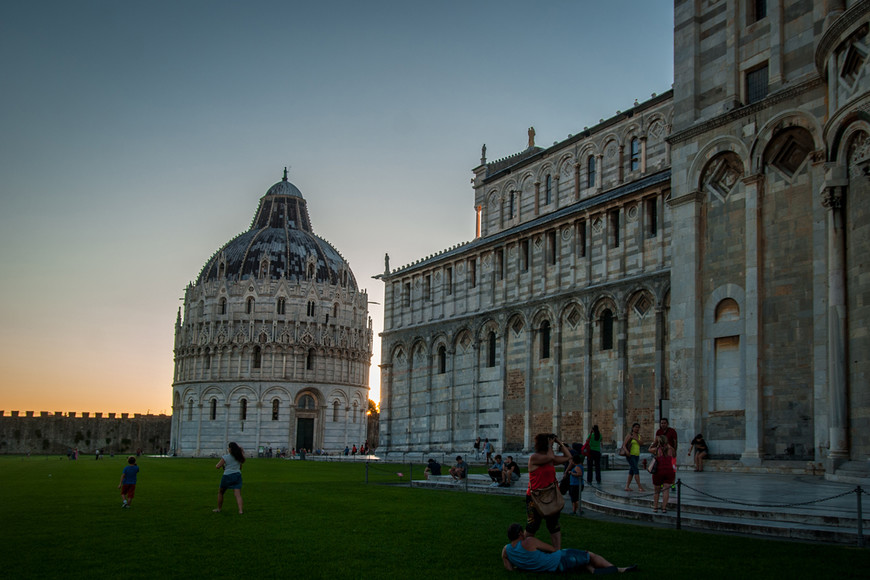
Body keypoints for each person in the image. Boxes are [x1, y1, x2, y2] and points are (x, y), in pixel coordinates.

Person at [501, 523, 637, 574]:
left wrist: (518, 567)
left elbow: (509, 567)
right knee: (589, 555)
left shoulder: (506, 550)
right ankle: (617, 569)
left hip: (552, 569)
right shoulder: (528, 542)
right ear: (520, 533)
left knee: (580, 563)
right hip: (558, 560)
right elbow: (554, 550)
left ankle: (592, 569)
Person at [527, 433, 572, 550]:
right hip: (535, 497)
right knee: (532, 525)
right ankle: (523, 549)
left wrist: (559, 443)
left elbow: (568, 457)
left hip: (551, 496)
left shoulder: (549, 459)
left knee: (554, 525)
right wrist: (550, 446)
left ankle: (557, 551)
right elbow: (551, 457)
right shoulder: (535, 457)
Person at [214, 442, 245, 514]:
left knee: (221, 492)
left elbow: (217, 466)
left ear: (230, 449)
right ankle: (240, 511)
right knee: (238, 494)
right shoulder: (238, 457)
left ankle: (219, 509)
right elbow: (240, 467)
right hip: (237, 475)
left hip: (227, 476)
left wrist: (223, 466)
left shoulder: (225, 457)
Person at [648, 435, 676, 513]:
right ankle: (664, 508)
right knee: (666, 490)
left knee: (656, 491)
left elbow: (649, 449)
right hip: (669, 471)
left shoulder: (657, 449)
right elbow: (674, 457)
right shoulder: (671, 449)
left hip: (658, 471)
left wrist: (654, 442)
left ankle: (655, 507)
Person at [621, 423, 646, 492]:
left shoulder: (639, 436)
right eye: (635, 427)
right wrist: (627, 452)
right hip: (630, 455)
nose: (637, 429)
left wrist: (636, 438)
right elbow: (624, 445)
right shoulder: (629, 435)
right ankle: (639, 486)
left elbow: (641, 443)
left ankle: (627, 486)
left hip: (636, 455)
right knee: (636, 470)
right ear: (632, 428)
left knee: (632, 470)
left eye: (638, 427)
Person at [566, 451, 584, 516]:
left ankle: (579, 509)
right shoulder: (580, 466)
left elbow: (579, 474)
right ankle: (574, 510)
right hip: (575, 484)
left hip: (575, 485)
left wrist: (571, 473)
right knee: (574, 499)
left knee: (575, 499)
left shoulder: (577, 467)